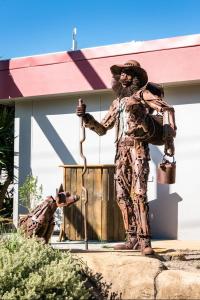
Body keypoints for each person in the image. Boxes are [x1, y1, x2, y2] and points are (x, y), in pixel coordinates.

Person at [76, 60, 176, 255]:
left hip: (138, 150)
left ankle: (144, 241)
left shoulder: (143, 95)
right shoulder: (117, 103)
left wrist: (169, 137)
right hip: (120, 153)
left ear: (135, 77)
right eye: (120, 73)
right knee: (121, 195)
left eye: (127, 73)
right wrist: (86, 118)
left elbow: (167, 110)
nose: (123, 76)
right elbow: (103, 128)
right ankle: (131, 239)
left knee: (139, 193)